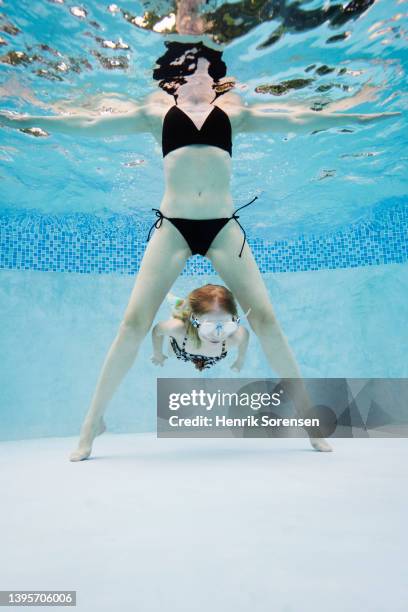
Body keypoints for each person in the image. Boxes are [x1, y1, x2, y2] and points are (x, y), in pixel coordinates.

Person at [0, 41, 400, 460]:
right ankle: (91, 424)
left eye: (208, 72)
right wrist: (27, 116)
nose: (201, 78)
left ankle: (308, 419)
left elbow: (303, 118)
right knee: (132, 323)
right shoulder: (155, 114)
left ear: (217, 80)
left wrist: (363, 111)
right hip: (173, 227)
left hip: (223, 228)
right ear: (175, 79)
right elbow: (87, 124)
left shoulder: (235, 114)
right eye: (192, 71)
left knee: (265, 319)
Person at [151, 284, 250, 372]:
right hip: (181, 348)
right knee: (172, 353)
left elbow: (245, 337)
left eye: (227, 325)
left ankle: (183, 305)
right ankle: (178, 304)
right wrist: (158, 354)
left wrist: (240, 360)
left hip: (203, 354)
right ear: (195, 320)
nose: (217, 335)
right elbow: (157, 331)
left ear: (234, 319)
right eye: (208, 327)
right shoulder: (177, 329)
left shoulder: (235, 336)